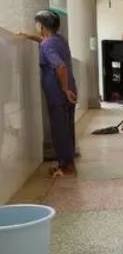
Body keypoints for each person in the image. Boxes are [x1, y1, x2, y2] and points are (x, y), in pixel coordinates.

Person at [19, 10, 78, 178]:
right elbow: (45, 42)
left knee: (59, 131)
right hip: (70, 91)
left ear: (41, 25)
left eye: (37, 23)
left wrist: (64, 89)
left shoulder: (47, 44)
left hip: (59, 94)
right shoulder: (59, 40)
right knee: (67, 129)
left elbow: (60, 66)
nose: (36, 26)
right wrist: (30, 37)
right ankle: (67, 163)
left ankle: (65, 167)